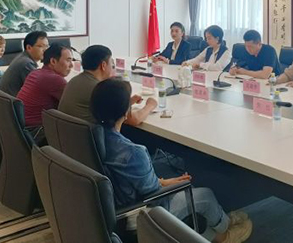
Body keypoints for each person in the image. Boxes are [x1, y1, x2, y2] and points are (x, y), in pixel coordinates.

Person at [90, 79, 253, 243]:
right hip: (141, 213)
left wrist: (164, 181)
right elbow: (154, 194)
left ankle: (218, 225)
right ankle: (225, 234)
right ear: (126, 113)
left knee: (188, 188)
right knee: (205, 195)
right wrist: (167, 185)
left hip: (112, 206)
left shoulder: (91, 136)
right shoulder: (133, 152)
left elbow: (137, 181)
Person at [59, 44, 158, 125]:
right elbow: (133, 120)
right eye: (111, 63)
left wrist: (128, 102)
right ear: (103, 65)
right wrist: (150, 105)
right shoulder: (100, 89)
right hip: (93, 140)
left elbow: (110, 107)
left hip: (69, 139)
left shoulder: (74, 81)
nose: (113, 67)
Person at [17, 43, 73, 132]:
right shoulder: (54, 79)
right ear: (53, 61)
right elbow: (74, 107)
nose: (71, 65)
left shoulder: (35, 73)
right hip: (36, 131)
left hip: (22, 128)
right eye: (68, 60)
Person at [0, 31, 49, 96]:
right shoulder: (26, 63)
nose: (45, 50)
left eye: (47, 46)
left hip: (7, 99)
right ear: (29, 47)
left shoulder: (22, 57)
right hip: (13, 101)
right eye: (40, 46)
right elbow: (40, 88)